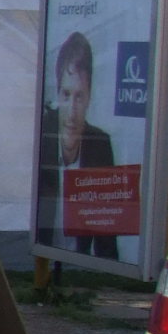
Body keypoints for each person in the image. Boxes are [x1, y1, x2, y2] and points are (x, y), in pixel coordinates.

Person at [35, 29, 120, 259]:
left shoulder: (99, 145)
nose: (72, 112)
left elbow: (107, 234)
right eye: (66, 94)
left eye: (80, 97)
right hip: (42, 258)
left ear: (90, 97)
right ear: (57, 94)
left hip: (79, 263)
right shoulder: (43, 135)